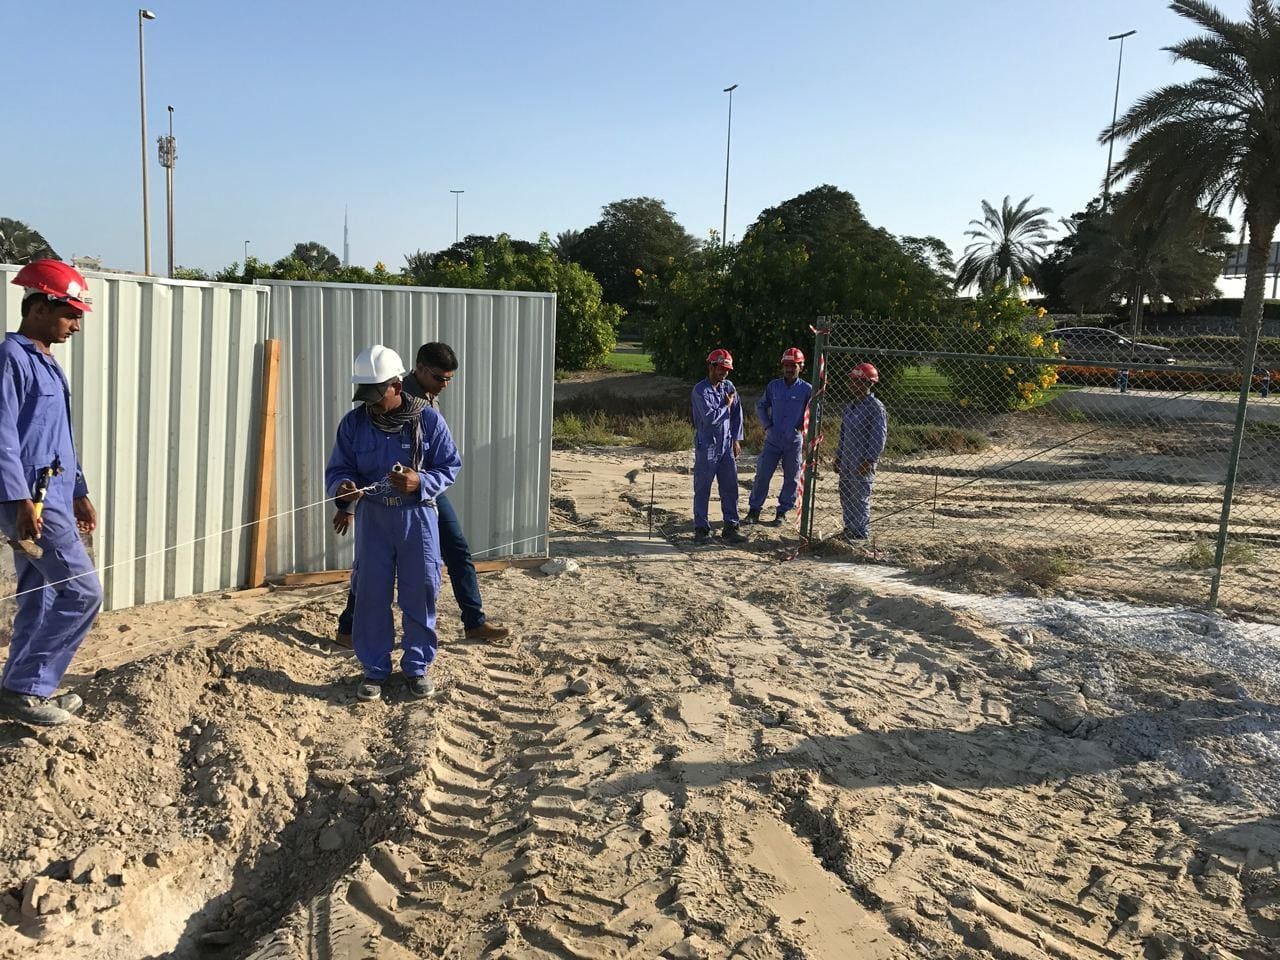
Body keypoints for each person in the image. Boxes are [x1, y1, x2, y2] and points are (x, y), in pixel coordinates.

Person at [335, 342, 510, 646]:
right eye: (440, 378)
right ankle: (349, 628)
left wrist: (422, 483)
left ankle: (474, 622)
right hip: (383, 500)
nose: (445, 385)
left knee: (455, 550)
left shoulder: (427, 407)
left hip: (421, 491)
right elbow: (354, 462)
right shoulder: (389, 398)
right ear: (419, 370)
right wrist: (346, 504)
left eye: (449, 379)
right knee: (372, 566)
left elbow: (447, 462)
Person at [326, 345, 461, 703]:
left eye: (377, 397)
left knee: (420, 591)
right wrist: (343, 488)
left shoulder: (428, 421)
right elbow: (339, 468)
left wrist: (421, 482)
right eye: (365, 397)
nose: (370, 405)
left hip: (417, 518)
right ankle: (374, 668)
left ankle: (417, 666)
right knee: (371, 592)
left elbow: (449, 465)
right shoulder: (353, 424)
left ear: (397, 387)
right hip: (374, 519)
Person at [0, 261, 102, 727]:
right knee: (83, 592)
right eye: (70, 315)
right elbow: (3, 435)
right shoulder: (11, 358)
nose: (76, 325)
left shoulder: (46, 361)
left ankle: (19, 688)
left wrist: (78, 488)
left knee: (39, 595)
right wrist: (18, 500)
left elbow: (59, 436)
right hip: (32, 500)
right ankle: (27, 687)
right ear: (39, 307)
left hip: (55, 494)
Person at [746, 347, 813, 527]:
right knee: (762, 474)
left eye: (793, 366)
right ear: (782, 366)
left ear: (801, 367)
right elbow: (761, 405)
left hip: (793, 441)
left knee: (792, 477)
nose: (789, 369)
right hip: (773, 440)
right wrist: (767, 426)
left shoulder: (807, 389)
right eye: (786, 365)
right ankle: (754, 510)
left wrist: (803, 426)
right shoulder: (773, 386)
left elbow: (815, 412)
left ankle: (782, 512)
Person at [691, 348, 748, 545]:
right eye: (721, 369)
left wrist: (736, 439)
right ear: (711, 367)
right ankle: (701, 529)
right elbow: (709, 418)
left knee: (730, 486)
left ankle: (731, 527)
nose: (724, 373)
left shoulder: (729, 387)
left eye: (727, 370)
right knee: (703, 487)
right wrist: (726, 406)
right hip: (707, 445)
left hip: (726, 445)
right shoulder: (700, 390)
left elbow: (737, 414)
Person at [833, 362, 888, 542]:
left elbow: (878, 436)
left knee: (859, 496)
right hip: (847, 459)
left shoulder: (875, 407)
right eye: (852, 381)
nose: (853, 385)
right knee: (846, 494)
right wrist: (839, 457)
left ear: (868, 383)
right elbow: (843, 434)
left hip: (862, 461)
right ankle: (850, 528)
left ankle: (860, 534)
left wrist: (870, 460)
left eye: (858, 381)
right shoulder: (851, 407)